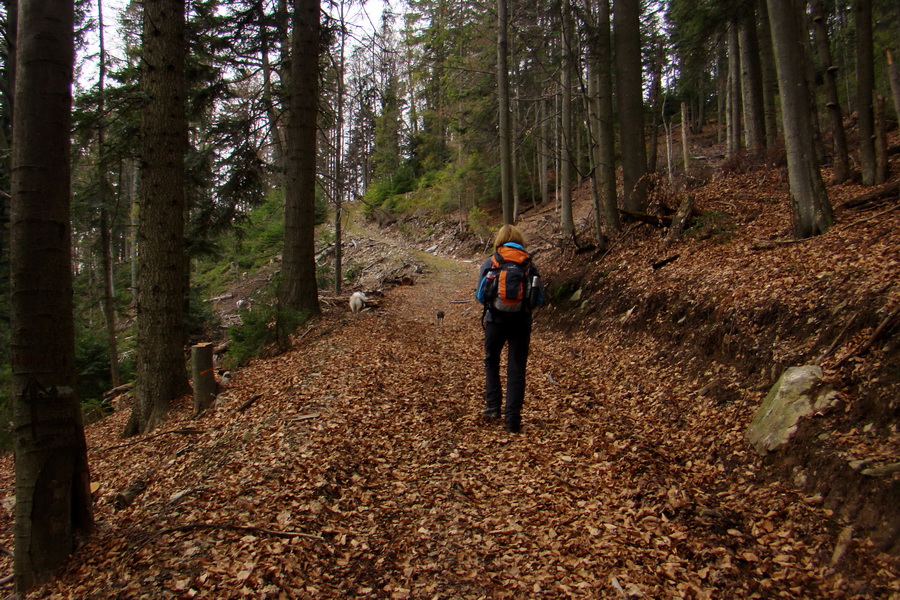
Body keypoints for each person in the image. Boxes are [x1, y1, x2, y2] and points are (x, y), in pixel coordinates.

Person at [475, 224, 544, 433]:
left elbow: (480, 296)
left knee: (491, 361)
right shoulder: (528, 263)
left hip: (495, 320)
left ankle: (493, 407)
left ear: (500, 239)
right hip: (521, 321)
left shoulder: (493, 261)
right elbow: (538, 298)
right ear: (519, 240)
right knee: (516, 368)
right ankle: (512, 419)